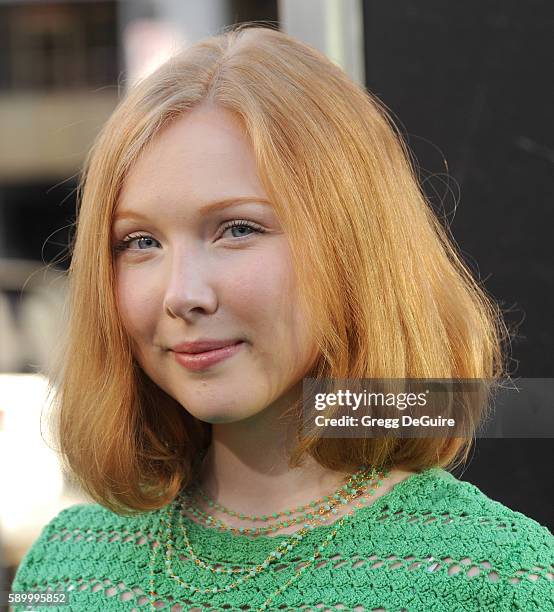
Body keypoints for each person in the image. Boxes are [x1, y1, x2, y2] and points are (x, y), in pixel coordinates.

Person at [11, 23, 553, 612]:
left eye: (238, 229)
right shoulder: (65, 567)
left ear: (354, 248)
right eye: (140, 241)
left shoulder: (491, 581)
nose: (182, 294)